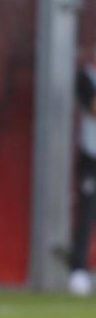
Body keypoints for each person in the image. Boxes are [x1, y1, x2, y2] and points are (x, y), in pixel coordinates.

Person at [70, 45, 96, 296]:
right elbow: (92, 106)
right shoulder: (85, 77)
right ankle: (78, 270)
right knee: (87, 212)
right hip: (91, 156)